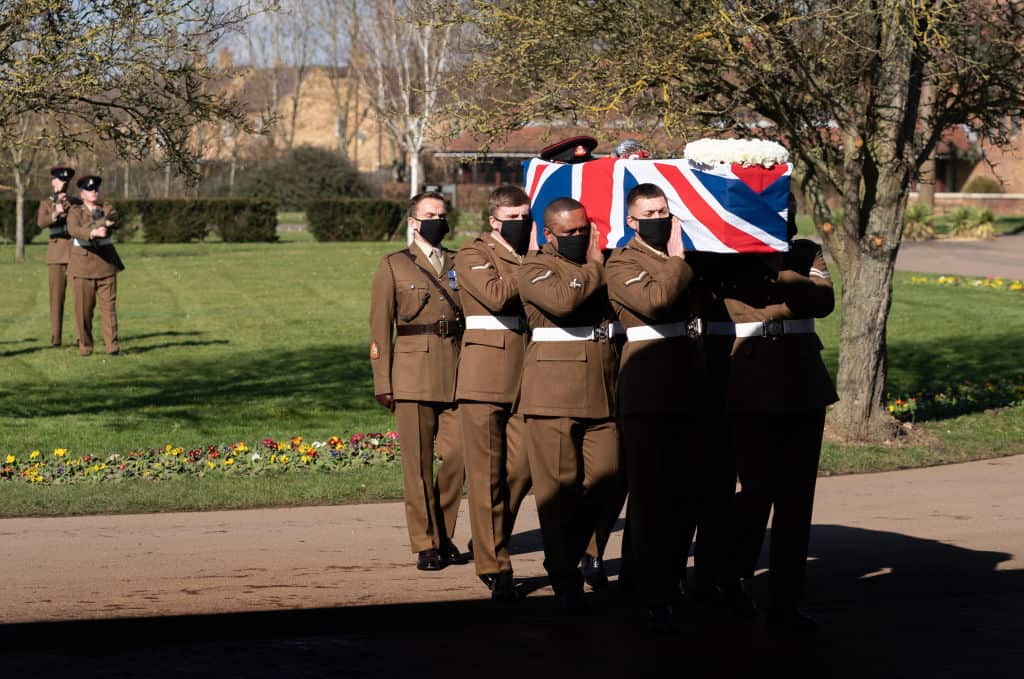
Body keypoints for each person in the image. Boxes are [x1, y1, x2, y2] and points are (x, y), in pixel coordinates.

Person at [707, 203, 838, 632]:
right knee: (756, 492)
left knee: (797, 501)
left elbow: (821, 301)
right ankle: (729, 576)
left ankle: (786, 599)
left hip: (803, 386)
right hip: (748, 386)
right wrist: (755, 260)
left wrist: (777, 268)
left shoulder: (804, 252)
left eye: (785, 212)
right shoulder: (725, 254)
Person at [605, 183, 707, 632]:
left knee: (686, 492)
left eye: (664, 210)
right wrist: (680, 260)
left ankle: (661, 578)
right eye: (650, 211)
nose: (659, 217)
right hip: (646, 390)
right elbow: (656, 301)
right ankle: (653, 590)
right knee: (650, 496)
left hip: (688, 385)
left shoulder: (679, 257)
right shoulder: (623, 262)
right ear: (631, 220)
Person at [516, 197, 622, 614]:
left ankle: (562, 557)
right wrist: (595, 263)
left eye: (584, 229)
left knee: (610, 478)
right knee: (559, 490)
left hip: (603, 386)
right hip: (553, 392)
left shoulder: (606, 263)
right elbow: (564, 302)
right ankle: (564, 577)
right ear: (549, 234)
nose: (579, 237)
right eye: (570, 232)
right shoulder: (533, 267)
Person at [368, 191, 467, 571]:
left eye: (442, 215)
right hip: (411, 375)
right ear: (413, 222)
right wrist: (383, 381)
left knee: (460, 456)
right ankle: (426, 543)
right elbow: (379, 328)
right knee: (418, 466)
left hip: (458, 371)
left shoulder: (460, 262)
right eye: (429, 215)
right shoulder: (393, 265)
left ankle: (441, 532)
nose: (437, 221)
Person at [454, 185, 533, 601]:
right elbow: (497, 295)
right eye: (513, 219)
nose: (522, 226)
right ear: (494, 220)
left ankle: (489, 536)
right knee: (486, 476)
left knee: (521, 471)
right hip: (485, 376)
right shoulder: (473, 254)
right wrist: (537, 262)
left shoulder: (531, 254)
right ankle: (494, 564)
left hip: (528, 375)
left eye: (526, 217)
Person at [66, 175, 124, 357]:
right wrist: (94, 230)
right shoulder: (75, 212)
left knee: (109, 310)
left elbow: (114, 218)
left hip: (106, 265)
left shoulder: (106, 207)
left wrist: (104, 223)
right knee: (83, 311)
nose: (95, 192)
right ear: (82, 193)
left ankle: (112, 347)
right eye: (90, 190)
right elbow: (73, 229)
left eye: (96, 189)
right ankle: (85, 346)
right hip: (82, 267)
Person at [36, 166, 80, 347]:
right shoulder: (45, 203)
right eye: (61, 180)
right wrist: (55, 213)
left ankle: (81, 336)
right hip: (56, 256)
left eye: (66, 182)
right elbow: (41, 222)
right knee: (56, 298)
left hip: (75, 255)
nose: (64, 184)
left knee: (80, 298)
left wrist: (68, 207)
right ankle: (56, 337)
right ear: (53, 181)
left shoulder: (76, 203)